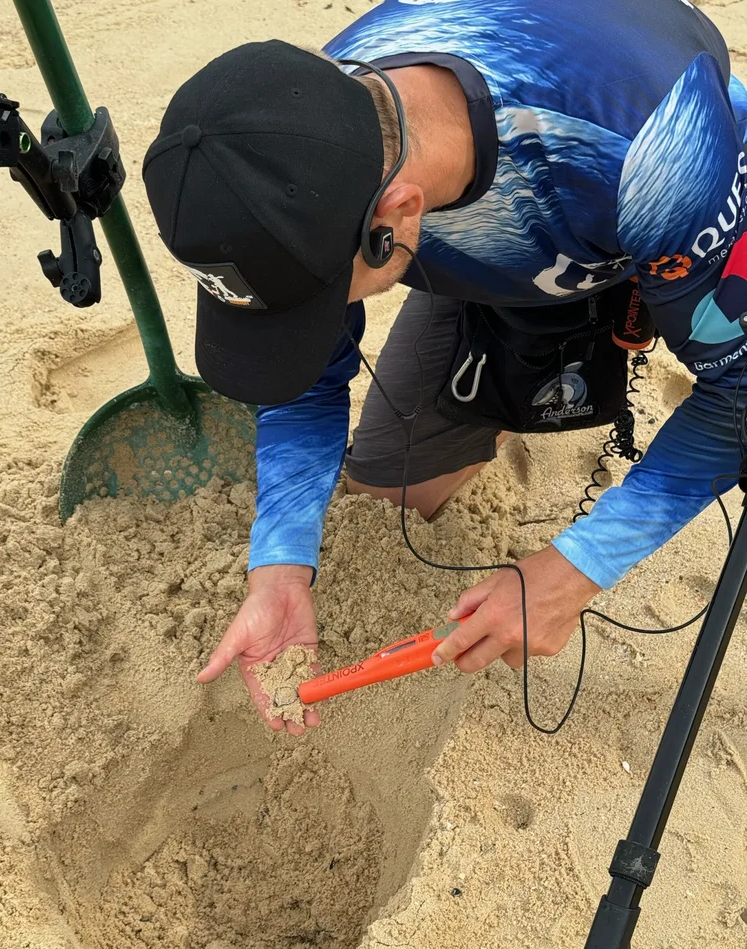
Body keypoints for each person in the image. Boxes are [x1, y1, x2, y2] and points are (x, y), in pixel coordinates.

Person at [143, 0, 747, 736]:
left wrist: (574, 570)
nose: (310, 319)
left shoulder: (658, 162)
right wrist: (280, 563)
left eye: (319, 299)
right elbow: (303, 377)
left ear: (396, 215)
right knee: (392, 488)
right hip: (506, 241)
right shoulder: (306, 129)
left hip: (662, 207)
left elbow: (741, 397)